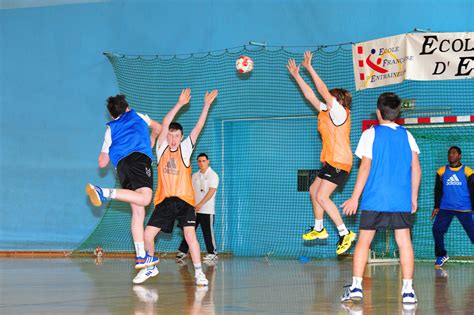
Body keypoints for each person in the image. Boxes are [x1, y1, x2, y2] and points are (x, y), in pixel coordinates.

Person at [340, 92, 421, 304]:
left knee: (364, 242)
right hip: (400, 199)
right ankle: (408, 291)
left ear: (378, 111)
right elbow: (416, 168)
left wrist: (355, 197)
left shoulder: (370, 133)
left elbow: (365, 166)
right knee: (404, 242)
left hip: (375, 198)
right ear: (398, 112)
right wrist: (413, 196)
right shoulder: (407, 135)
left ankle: (357, 287)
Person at [133, 88, 218, 286]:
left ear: (181, 137)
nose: (173, 139)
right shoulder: (161, 148)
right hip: (164, 201)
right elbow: (163, 125)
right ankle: (149, 267)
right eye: (170, 135)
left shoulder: (186, 149)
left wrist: (206, 105)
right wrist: (179, 104)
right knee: (147, 235)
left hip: (185, 202)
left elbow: (198, 126)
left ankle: (199, 273)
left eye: (176, 135)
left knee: (190, 236)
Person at [287, 51, 356, 255]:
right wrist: (297, 75)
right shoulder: (326, 112)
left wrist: (309, 68)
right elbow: (310, 95)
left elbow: (322, 90)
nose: (327, 100)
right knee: (313, 191)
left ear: (339, 101)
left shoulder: (340, 112)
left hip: (339, 161)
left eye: (331, 98)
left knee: (323, 197)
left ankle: (345, 233)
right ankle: (319, 228)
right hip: (330, 161)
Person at [85, 94, 161, 270]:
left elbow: (102, 163)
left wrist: (110, 148)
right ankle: (103, 192)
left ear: (112, 115)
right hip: (139, 160)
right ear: (127, 107)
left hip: (122, 168)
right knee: (145, 199)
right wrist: (152, 138)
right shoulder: (138, 116)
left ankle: (141, 256)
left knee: (138, 212)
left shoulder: (110, 129)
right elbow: (158, 127)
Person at [431, 146, 474, 267]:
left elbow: (473, 190)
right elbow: (438, 190)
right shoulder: (441, 171)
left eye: (454, 153)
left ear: (459, 156)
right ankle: (441, 255)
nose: (451, 155)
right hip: (446, 208)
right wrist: (436, 206)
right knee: (436, 229)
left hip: (464, 208)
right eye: (449, 153)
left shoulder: (468, 171)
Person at [176, 153, 220, 262]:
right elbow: (190, 191)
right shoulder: (194, 176)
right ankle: (183, 251)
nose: (201, 163)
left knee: (207, 232)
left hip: (207, 210)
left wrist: (200, 204)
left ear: (208, 161)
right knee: (189, 231)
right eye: (199, 161)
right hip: (194, 210)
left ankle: (212, 253)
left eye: (204, 161)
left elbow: (211, 191)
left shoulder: (213, 175)